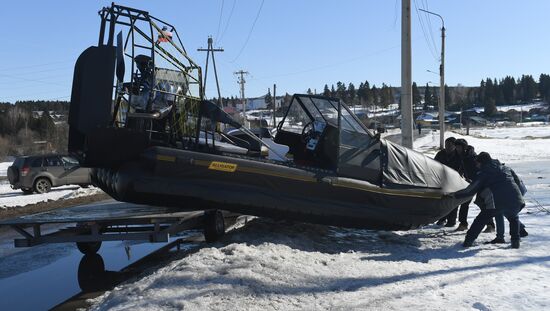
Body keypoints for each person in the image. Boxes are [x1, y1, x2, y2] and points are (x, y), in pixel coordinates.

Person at [449, 152, 524, 249]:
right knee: (514, 218)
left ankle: (468, 241)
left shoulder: (484, 173)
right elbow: (517, 181)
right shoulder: (506, 168)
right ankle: (515, 242)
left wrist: (455, 195)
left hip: (496, 202)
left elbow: (471, 190)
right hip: (516, 199)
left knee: (480, 220)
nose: (476, 165)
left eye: (477, 163)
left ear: (482, 162)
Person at [434, 137, 464, 227]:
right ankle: (442, 218)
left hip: (454, 181)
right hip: (442, 181)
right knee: (442, 201)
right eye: (446, 145)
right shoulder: (441, 153)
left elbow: (462, 167)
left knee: (452, 202)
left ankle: (451, 221)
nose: (447, 147)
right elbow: (434, 164)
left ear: (454, 146)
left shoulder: (458, 155)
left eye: (450, 145)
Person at [453, 139, 480, 231]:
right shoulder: (461, 156)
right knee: (464, 202)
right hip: (470, 182)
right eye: (456, 147)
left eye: (459, 147)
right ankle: (463, 223)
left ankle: (490, 225)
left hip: (479, 182)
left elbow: (476, 170)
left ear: (464, 147)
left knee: (482, 203)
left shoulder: (471, 157)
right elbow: (461, 168)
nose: (457, 149)